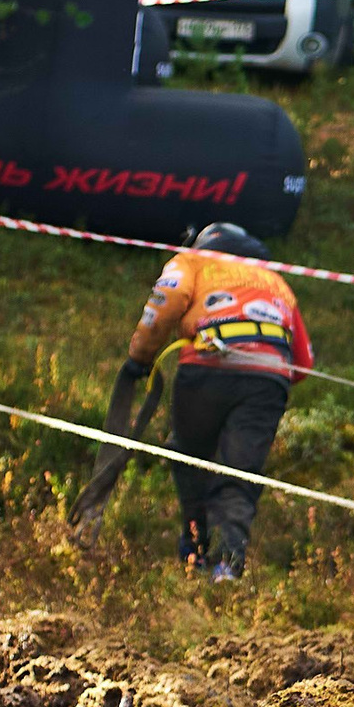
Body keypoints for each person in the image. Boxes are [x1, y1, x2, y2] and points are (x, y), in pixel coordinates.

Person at [120, 221, 313, 579]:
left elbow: (166, 301)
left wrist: (140, 359)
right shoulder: (276, 281)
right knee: (240, 471)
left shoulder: (192, 261)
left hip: (206, 369)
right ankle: (228, 565)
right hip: (268, 380)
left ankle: (194, 551)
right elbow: (304, 364)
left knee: (190, 457)